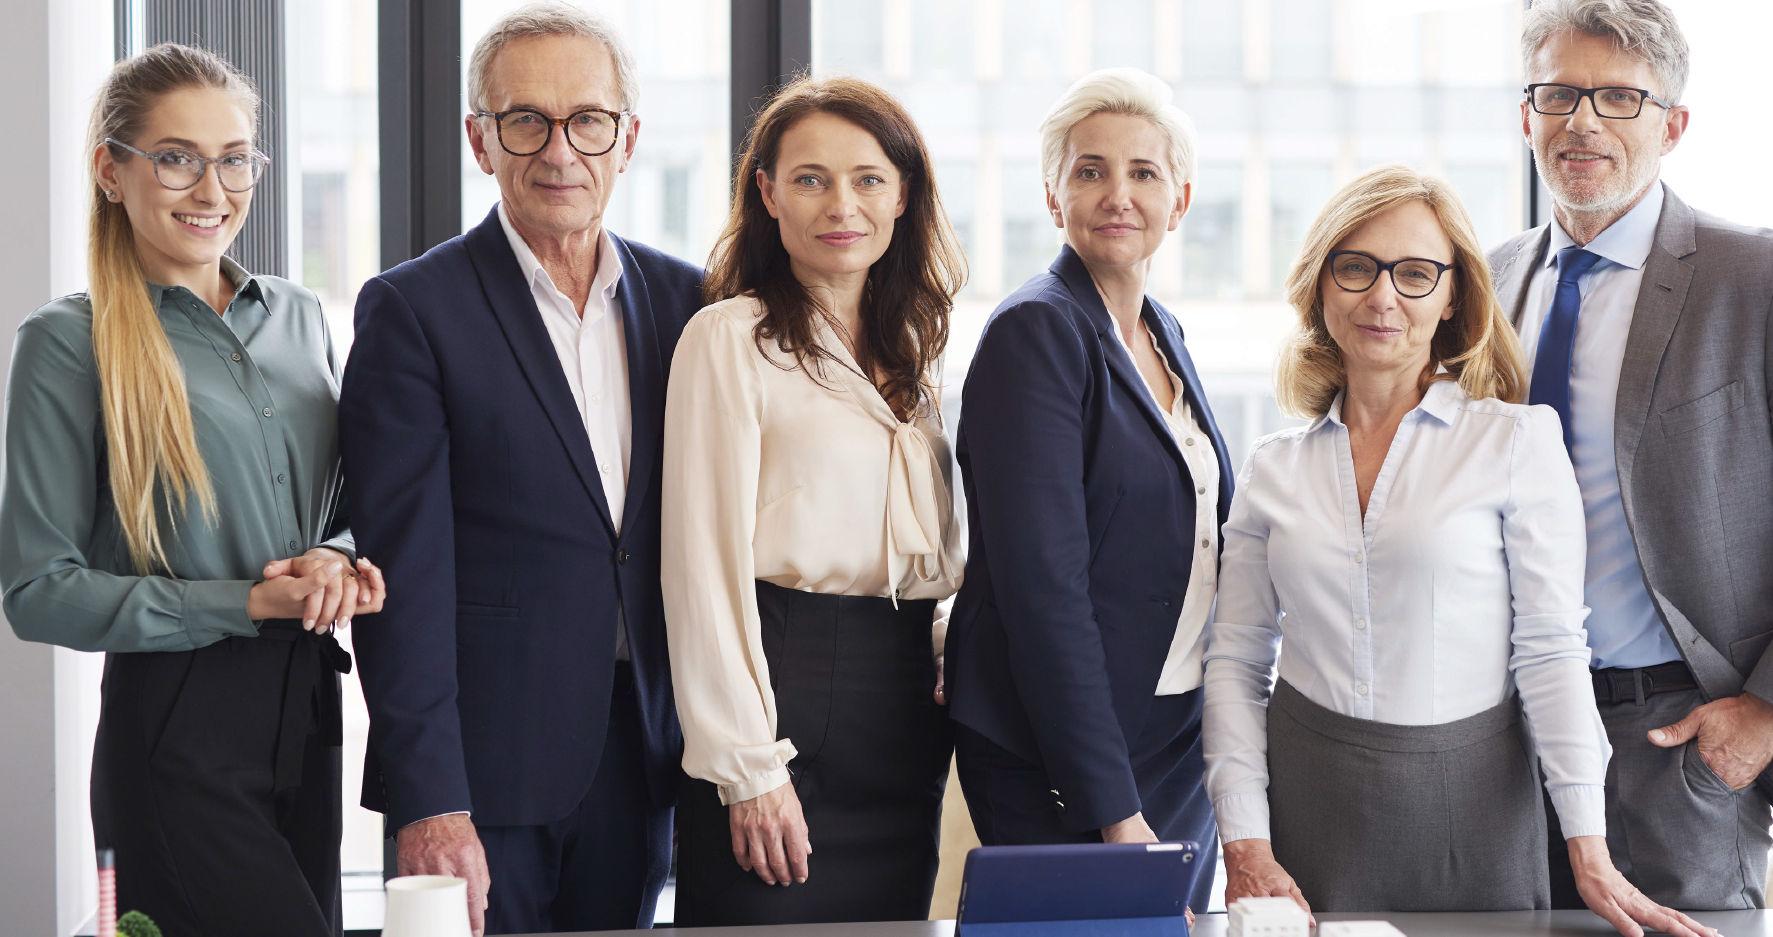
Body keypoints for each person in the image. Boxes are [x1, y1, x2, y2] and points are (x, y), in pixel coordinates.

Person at [1205, 165, 1708, 937]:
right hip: (1307, 814)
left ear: (1451, 297)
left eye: (1414, 274)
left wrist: (1588, 847)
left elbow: (1549, 650)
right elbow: (1237, 660)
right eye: (1356, 268)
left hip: (1472, 815)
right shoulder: (1273, 465)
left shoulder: (1513, 440)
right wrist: (1243, 840)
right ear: (1319, 287)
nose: (1382, 298)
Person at [1489, 0, 1773, 910]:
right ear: (1528, 114)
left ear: (1672, 125)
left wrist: (1770, 711)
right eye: (1557, 94)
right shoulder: (1486, 282)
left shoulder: (1766, 279)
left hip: (1676, 743)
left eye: (1618, 97)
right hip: (1500, 744)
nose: (1582, 122)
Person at [0, 43, 385, 937]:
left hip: (312, 703)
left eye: (234, 158)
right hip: (176, 725)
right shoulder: (66, 343)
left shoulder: (297, 315)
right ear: (111, 169)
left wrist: (337, 556)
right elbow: (37, 591)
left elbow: (349, 504)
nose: (211, 190)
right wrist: (247, 599)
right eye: (176, 157)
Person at [342, 3, 702, 935]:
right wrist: (430, 798)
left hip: (644, 751)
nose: (558, 151)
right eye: (523, 121)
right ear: (479, 139)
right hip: (484, 774)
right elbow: (401, 576)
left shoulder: (689, 302)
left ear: (627, 140)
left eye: (587, 120)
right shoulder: (412, 311)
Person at [661, 75, 965, 925]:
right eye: (810, 178)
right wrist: (748, 768)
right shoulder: (729, 338)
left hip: (904, 710)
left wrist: (945, 634)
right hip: (784, 697)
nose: (843, 204)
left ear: (903, 194)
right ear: (766, 193)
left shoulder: (914, 350)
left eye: (868, 178)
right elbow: (701, 568)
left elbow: (926, 547)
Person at [945, 68, 1227, 912]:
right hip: (1064, 752)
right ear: (1052, 194)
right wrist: (1112, 809)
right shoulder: (1038, 329)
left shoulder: (1161, 332)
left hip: (1172, 732)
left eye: (1143, 173)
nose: (1117, 194)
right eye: (1089, 170)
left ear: (1177, 200)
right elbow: (1043, 591)